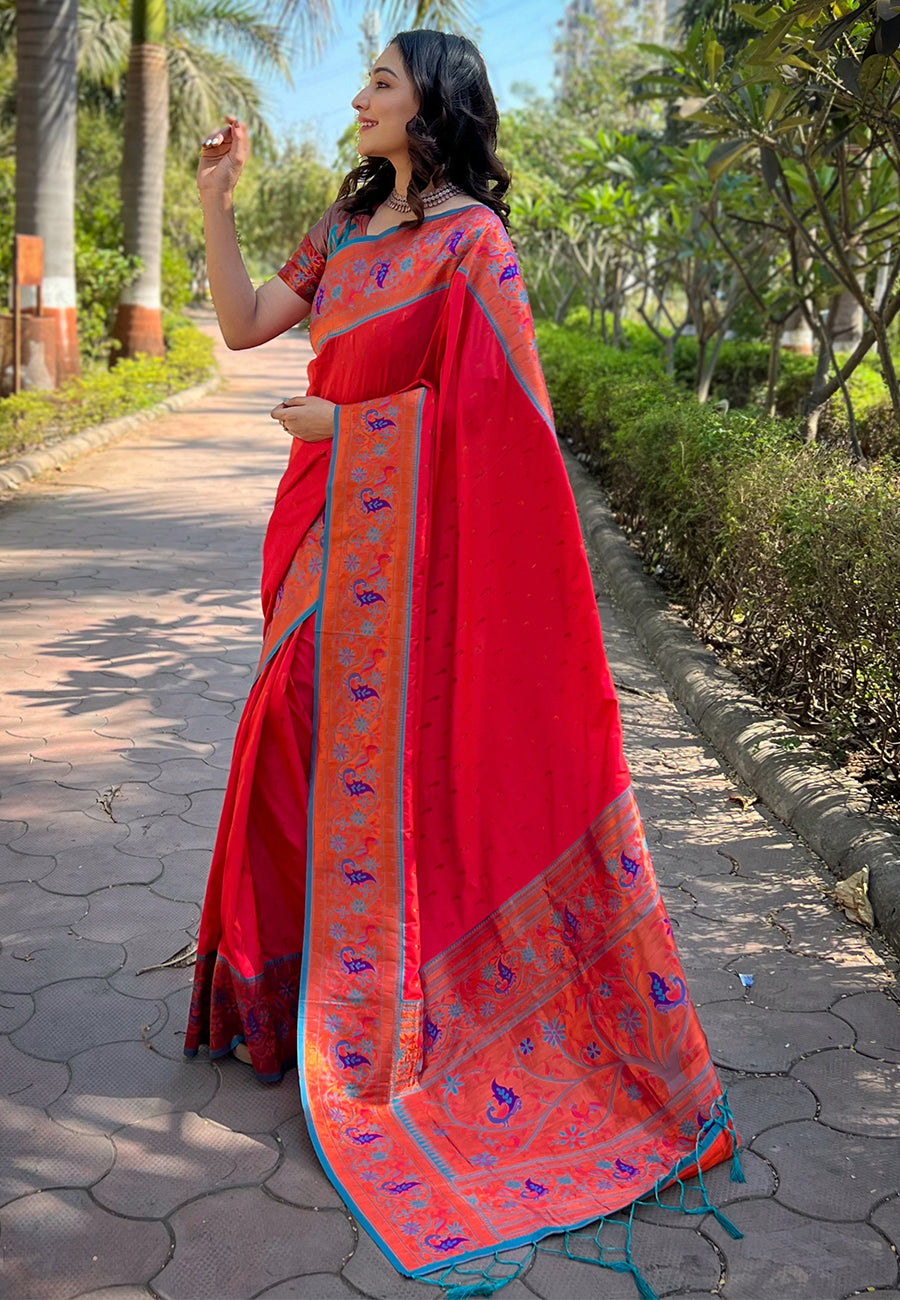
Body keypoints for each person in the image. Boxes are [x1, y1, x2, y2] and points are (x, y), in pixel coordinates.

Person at [184, 29, 741, 1297]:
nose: (361, 97)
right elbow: (239, 324)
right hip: (321, 518)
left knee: (337, 735)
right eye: (367, 79)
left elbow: (506, 423)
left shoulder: (474, 243)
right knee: (284, 730)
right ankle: (291, 1001)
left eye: (380, 80)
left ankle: (371, 1006)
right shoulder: (346, 221)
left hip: (406, 538)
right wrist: (216, 200)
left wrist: (356, 423)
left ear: (433, 102)